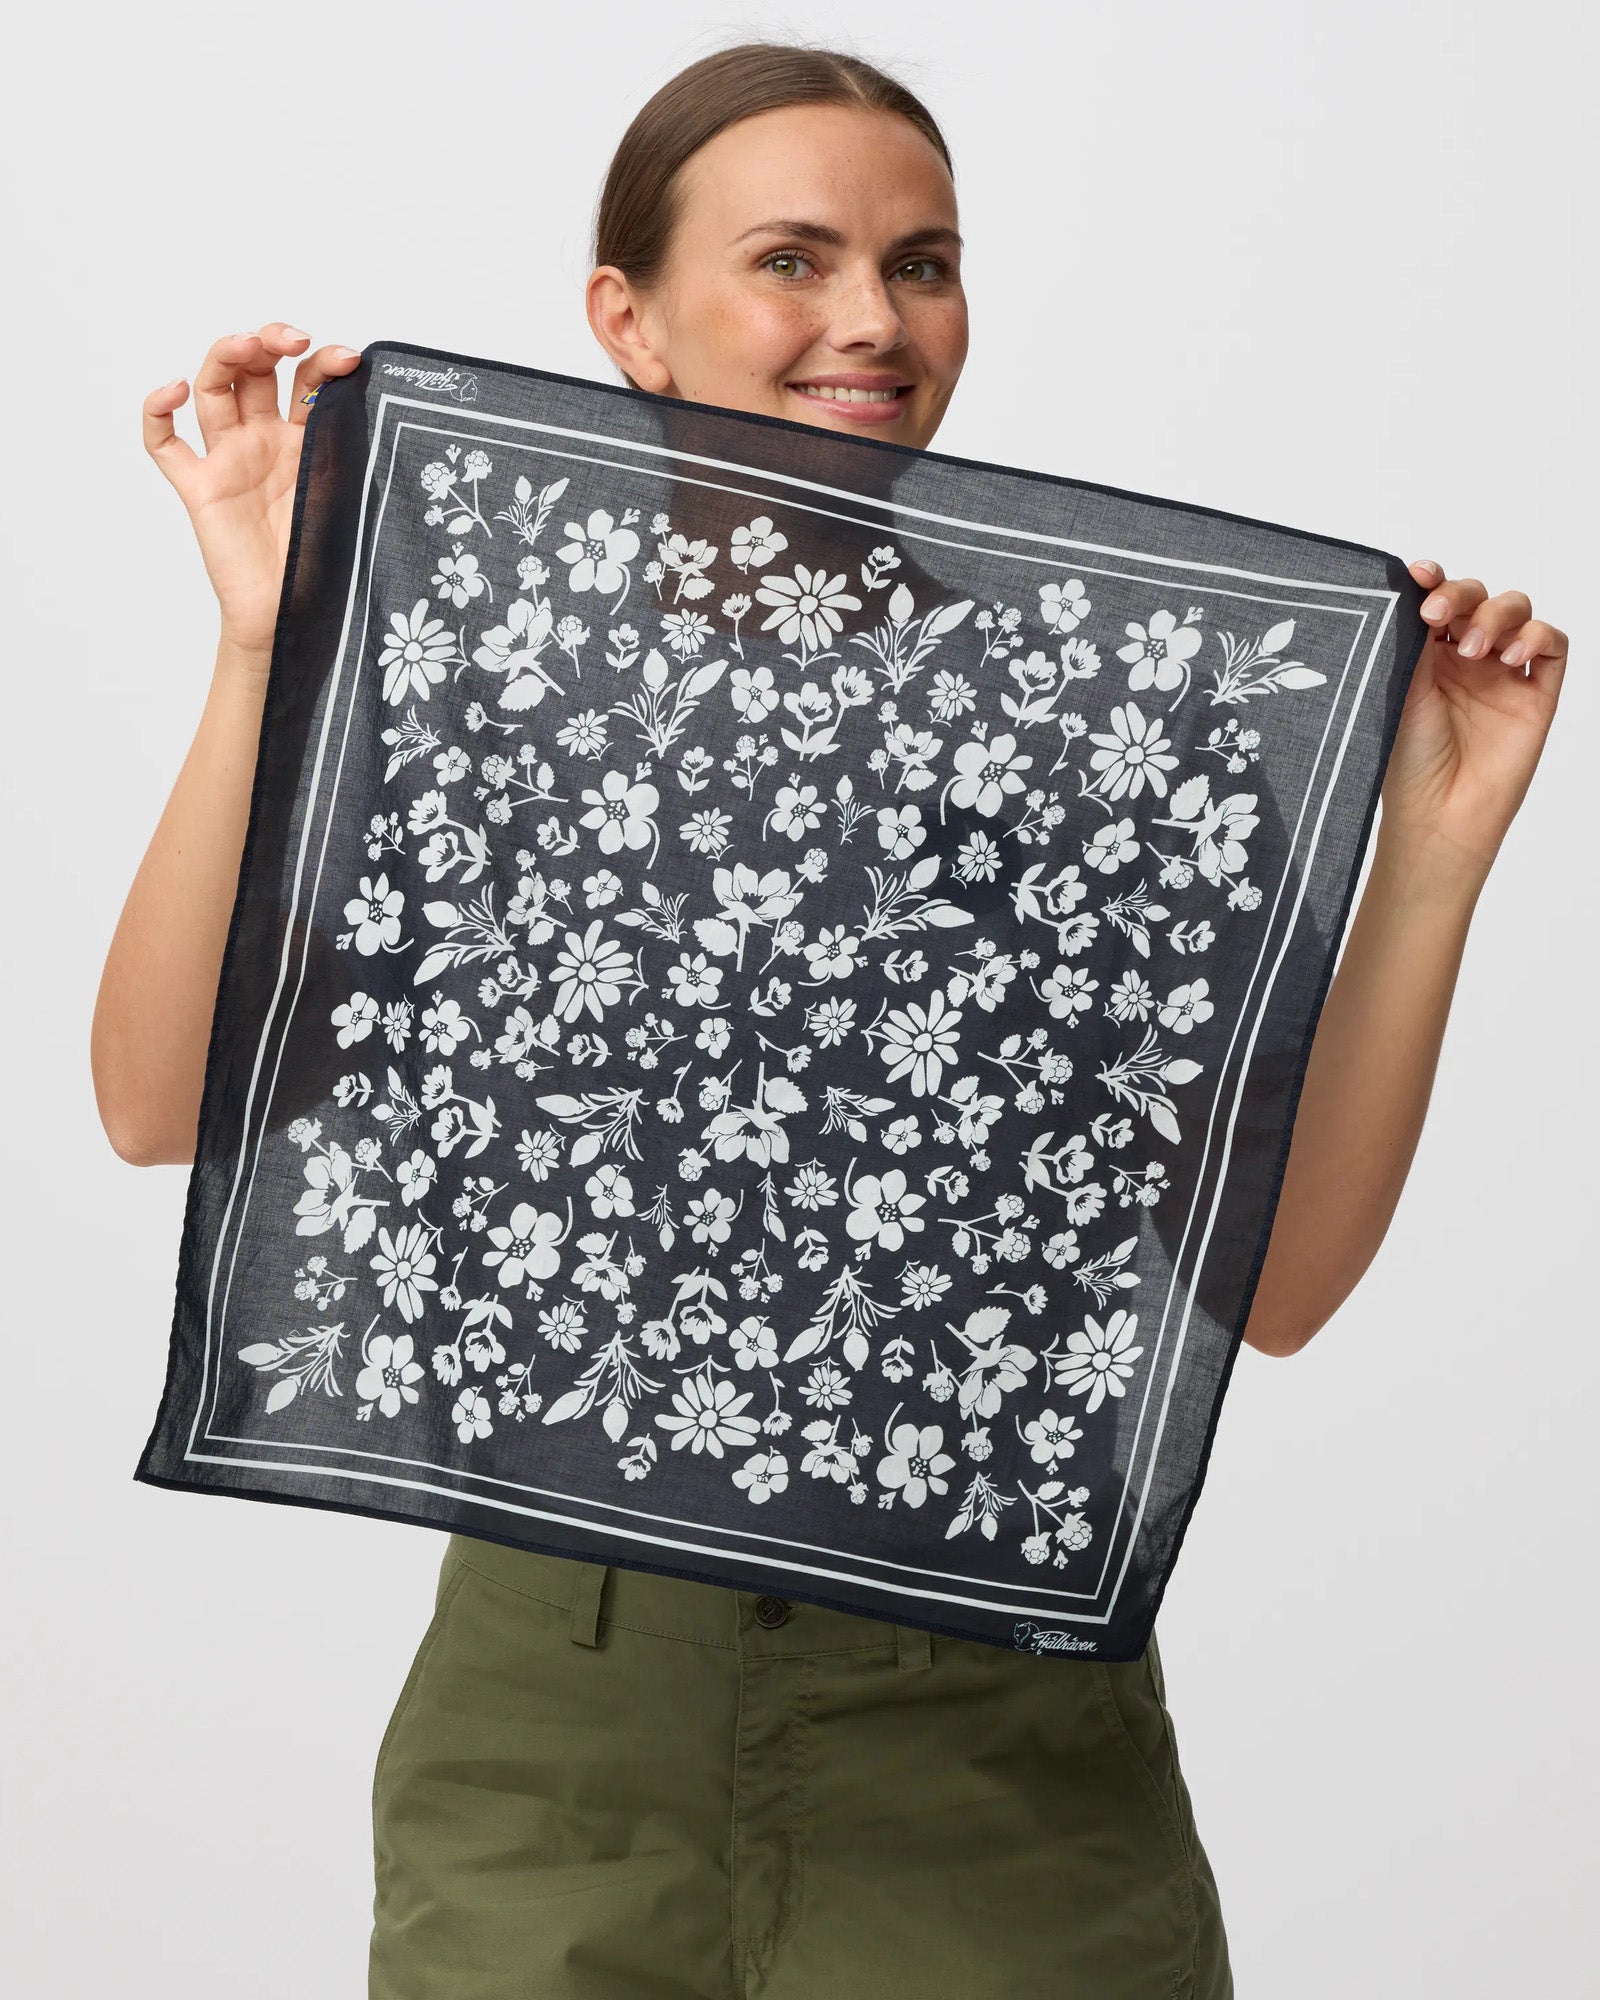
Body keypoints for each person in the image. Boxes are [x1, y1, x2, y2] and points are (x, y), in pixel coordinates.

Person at [92, 40, 1569, 2000]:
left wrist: (1434, 854)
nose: (872, 318)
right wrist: (267, 644)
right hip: (551, 1733)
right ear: (628, 317)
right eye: (791, 259)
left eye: (920, 263)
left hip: (993, 1749)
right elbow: (157, 1104)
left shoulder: (1101, 733)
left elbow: (1272, 1283)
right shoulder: (489, 690)